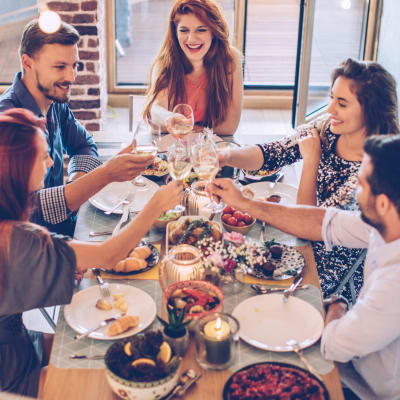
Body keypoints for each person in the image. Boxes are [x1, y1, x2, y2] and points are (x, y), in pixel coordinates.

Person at [0, 108, 183, 398]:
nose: (51, 163)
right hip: (12, 375)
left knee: (90, 343)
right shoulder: (15, 241)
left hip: (18, 341)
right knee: (114, 378)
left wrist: (57, 265)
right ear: (18, 168)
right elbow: (110, 255)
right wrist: (155, 207)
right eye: (43, 156)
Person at [211, 134, 400, 399]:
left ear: (382, 203)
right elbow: (323, 222)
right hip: (357, 356)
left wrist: (338, 304)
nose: (356, 184)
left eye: (362, 183)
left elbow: (334, 346)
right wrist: (245, 203)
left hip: (365, 386)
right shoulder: (387, 222)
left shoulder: (394, 286)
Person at [218, 58, 399, 303]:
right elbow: (273, 152)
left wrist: (310, 161)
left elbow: (313, 224)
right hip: (299, 237)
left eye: (342, 103)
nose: (330, 109)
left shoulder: (371, 172)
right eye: (332, 97)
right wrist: (226, 156)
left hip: (331, 268)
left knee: (245, 285)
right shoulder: (328, 128)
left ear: (371, 111)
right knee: (228, 260)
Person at [0, 19, 153, 236]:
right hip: (31, 252)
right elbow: (27, 210)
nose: (71, 77)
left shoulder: (53, 102)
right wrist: (103, 175)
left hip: (65, 229)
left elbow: (83, 144)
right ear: (27, 63)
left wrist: (76, 185)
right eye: (60, 67)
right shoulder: (9, 123)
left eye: (74, 65)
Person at [143, 0, 243, 135]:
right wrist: (170, 118)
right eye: (184, 30)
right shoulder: (164, 63)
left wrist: (188, 130)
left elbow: (229, 127)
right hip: (171, 149)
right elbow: (155, 110)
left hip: (211, 150)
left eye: (201, 30)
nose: (191, 39)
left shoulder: (230, 60)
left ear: (213, 32)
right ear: (175, 33)